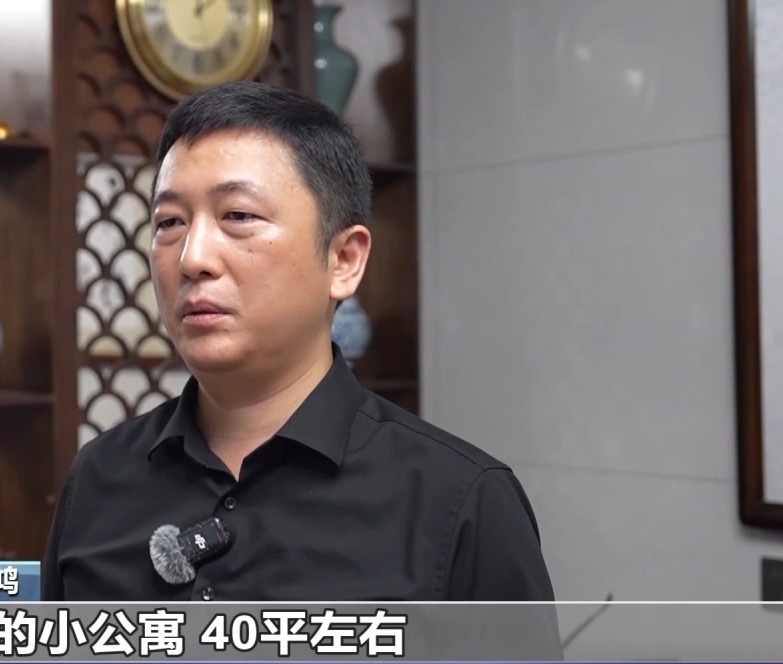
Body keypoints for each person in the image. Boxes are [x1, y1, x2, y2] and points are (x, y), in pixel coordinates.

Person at [41, 81, 556, 604]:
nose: (192, 258)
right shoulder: (98, 478)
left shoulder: (462, 502)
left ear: (344, 260)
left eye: (238, 216)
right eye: (169, 222)